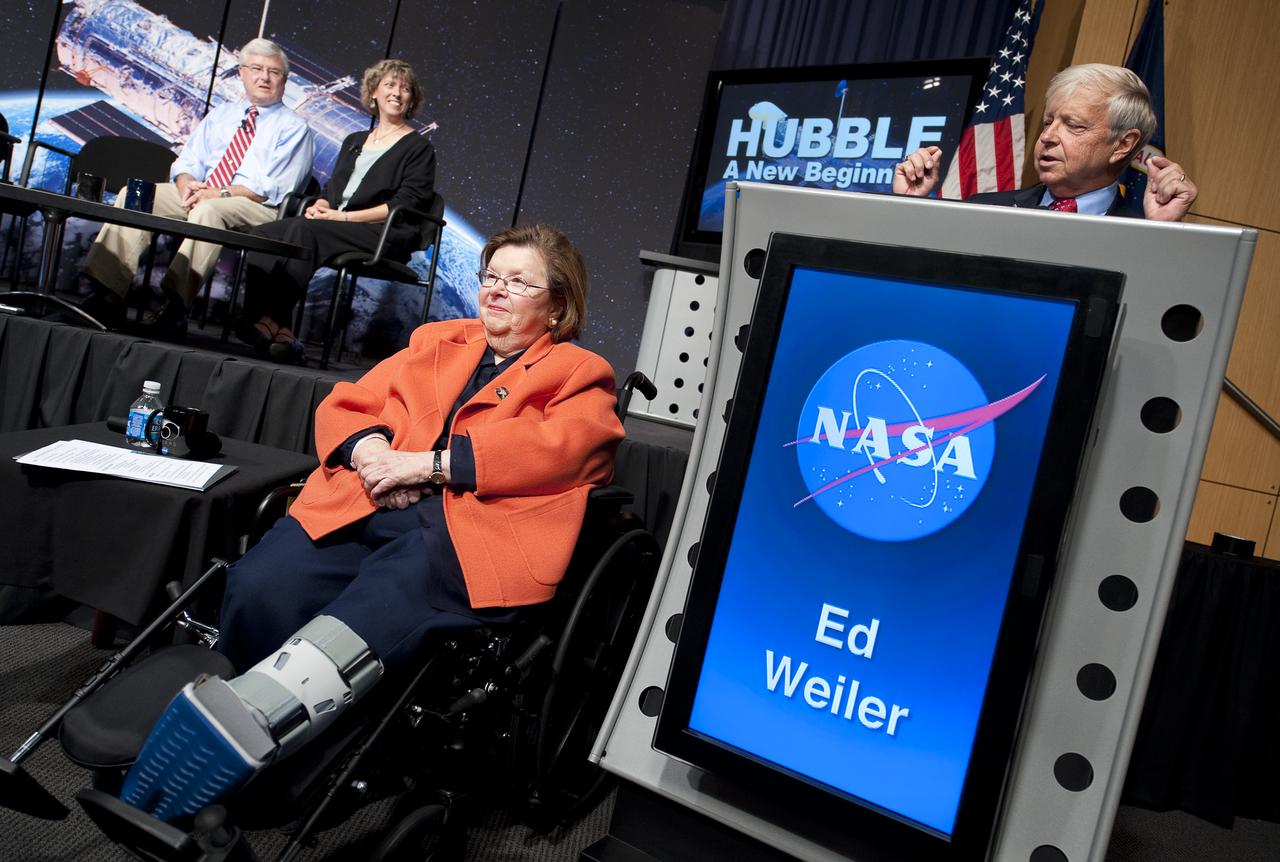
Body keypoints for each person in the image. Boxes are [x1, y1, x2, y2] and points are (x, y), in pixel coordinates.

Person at [117, 224, 625, 825]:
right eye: (491, 277)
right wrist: (372, 454)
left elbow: (570, 448)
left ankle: (266, 762)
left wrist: (431, 465)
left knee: (361, 614)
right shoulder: (437, 339)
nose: (496, 291)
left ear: (558, 304)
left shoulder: (578, 371)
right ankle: (217, 720)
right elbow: (350, 404)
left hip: (467, 530)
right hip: (372, 496)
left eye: (518, 282)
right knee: (262, 586)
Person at [79, 39, 314, 331]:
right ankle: (108, 294)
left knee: (209, 211)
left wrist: (218, 193)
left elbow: (273, 188)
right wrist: (186, 183)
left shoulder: (294, 127)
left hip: (259, 207)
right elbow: (187, 161)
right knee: (137, 195)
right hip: (206, 192)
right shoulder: (222, 114)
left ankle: (175, 305)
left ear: (285, 80)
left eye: (274, 72)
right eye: (256, 68)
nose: (264, 77)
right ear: (241, 73)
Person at [234, 58, 436, 364]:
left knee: (304, 230)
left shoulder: (418, 147)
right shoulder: (355, 141)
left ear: (412, 99)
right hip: (335, 225)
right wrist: (322, 205)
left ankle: (268, 323)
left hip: (382, 231)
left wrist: (341, 217)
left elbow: (405, 203)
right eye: (390, 85)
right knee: (264, 234)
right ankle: (278, 330)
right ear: (374, 93)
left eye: (405, 89)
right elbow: (332, 191)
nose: (397, 93)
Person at [893, 63, 1197, 221]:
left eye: (1074, 125)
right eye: (1049, 121)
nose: (1048, 137)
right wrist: (908, 206)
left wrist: (1161, 232)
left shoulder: (1140, 234)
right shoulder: (985, 209)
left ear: (1122, 144)